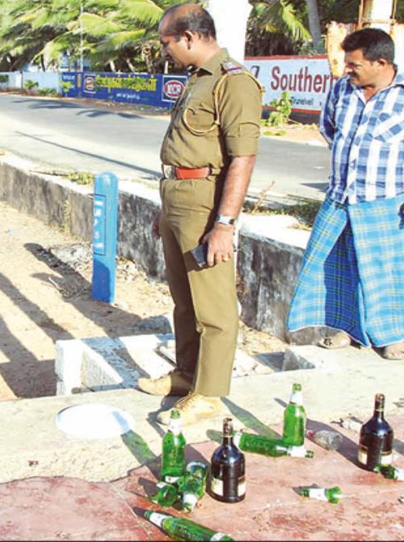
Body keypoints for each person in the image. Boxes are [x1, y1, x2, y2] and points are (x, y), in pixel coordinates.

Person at [136, 3, 263, 425]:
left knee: (214, 306)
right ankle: (187, 374)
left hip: (206, 203)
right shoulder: (197, 81)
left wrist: (224, 224)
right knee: (184, 300)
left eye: (167, 42)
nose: (166, 51)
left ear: (189, 37)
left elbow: (242, 159)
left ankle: (209, 394)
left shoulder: (234, 83)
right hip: (177, 197)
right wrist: (165, 208)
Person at [287, 28, 404, 360]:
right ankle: (347, 329)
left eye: (353, 64)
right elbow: (329, 128)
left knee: (388, 272)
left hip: (391, 201)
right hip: (341, 197)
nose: (346, 70)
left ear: (380, 62)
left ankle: (392, 336)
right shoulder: (342, 89)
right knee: (339, 267)